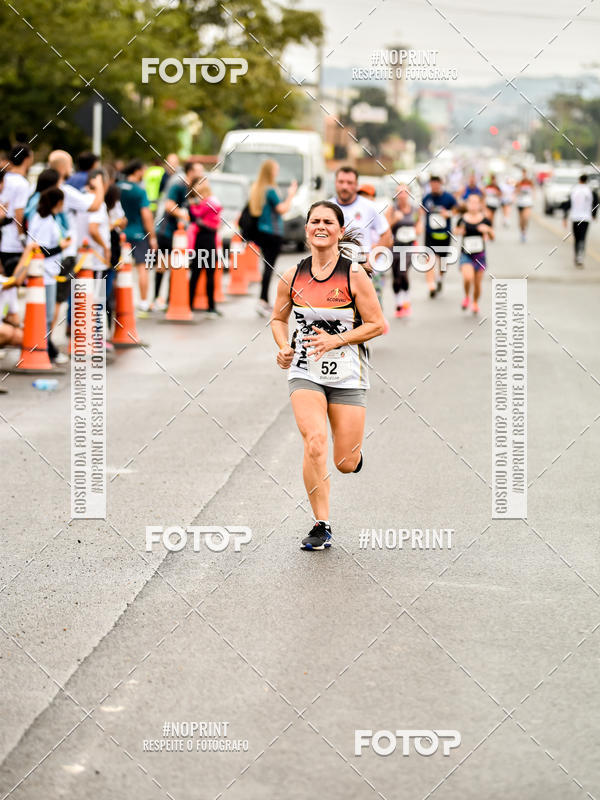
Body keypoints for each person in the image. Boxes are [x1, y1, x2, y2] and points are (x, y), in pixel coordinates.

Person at [270, 201, 385, 550]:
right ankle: (322, 524)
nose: (320, 226)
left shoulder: (354, 275)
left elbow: (378, 324)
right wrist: (283, 348)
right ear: (306, 229)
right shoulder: (292, 276)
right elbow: (278, 319)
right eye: (314, 221)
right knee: (314, 442)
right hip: (305, 371)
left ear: (338, 229)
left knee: (345, 462)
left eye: (328, 221)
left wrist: (336, 340)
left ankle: (353, 455)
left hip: (349, 373)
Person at [16, 187, 71, 363]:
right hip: (44, 273)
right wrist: (61, 248)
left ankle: (45, 348)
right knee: (45, 317)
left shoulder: (43, 217)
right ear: (59, 202)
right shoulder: (45, 220)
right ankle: (45, 349)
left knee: (45, 315)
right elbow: (41, 249)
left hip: (45, 272)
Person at [249, 159, 297, 317]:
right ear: (270, 172)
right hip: (273, 232)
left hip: (262, 232)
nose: (277, 173)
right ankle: (263, 300)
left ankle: (263, 299)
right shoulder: (270, 190)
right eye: (275, 170)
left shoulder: (257, 188)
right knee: (269, 268)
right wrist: (291, 195)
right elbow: (282, 209)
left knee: (267, 267)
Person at [154, 159, 204, 310]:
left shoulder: (193, 188)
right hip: (167, 232)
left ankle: (170, 300)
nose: (202, 174)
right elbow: (169, 205)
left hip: (180, 236)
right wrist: (184, 215)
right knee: (164, 265)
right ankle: (156, 299)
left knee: (177, 267)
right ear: (190, 172)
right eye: (198, 171)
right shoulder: (179, 185)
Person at [118, 159, 157, 314]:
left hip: (121, 233)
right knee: (142, 267)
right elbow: (146, 214)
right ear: (137, 171)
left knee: (118, 267)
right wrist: (152, 236)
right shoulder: (140, 191)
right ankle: (143, 302)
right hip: (139, 233)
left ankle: (118, 300)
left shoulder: (117, 187)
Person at [187, 177, 223, 316]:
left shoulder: (203, 204)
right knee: (209, 274)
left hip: (202, 239)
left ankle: (190, 304)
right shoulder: (213, 201)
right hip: (209, 240)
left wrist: (193, 207)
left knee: (196, 274)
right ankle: (211, 306)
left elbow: (195, 217)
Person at [454, 193, 494, 314]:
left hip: (480, 255)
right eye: (471, 202)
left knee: (477, 283)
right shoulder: (462, 219)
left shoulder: (485, 219)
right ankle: (467, 296)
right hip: (466, 254)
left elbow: (492, 236)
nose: (473, 205)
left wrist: (487, 230)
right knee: (468, 277)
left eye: (476, 202)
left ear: (480, 205)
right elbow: (455, 231)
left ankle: (475, 302)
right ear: (467, 204)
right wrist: (459, 230)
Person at [385, 184, 421, 318]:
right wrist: (395, 219)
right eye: (399, 193)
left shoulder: (415, 210)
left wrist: (417, 230)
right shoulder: (392, 209)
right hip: (394, 246)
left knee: (403, 272)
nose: (402, 195)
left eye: (405, 192)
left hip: (409, 246)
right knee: (396, 277)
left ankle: (406, 300)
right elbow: (384, 227)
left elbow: (419, 225)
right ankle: (398, 303)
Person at [0, 144, 34, 277]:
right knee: (14, 281)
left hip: (3, 236)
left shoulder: (4, 178)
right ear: (27, 160)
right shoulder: (21, 183)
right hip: (13, 241)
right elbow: (19, 212)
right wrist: (22, 237)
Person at [420, 175, 457, 297]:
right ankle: (431, 286)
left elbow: (458, 209)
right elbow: (421, 212)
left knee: (443, 262)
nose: (434, 186)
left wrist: (449, 213)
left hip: (444, 235)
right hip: (430, 234)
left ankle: (440, 279)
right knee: (429, 259)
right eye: (432, 184)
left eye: (436, 184)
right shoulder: (427, 198)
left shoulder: (448, 197)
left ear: (440, 184)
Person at [562, 174, 597, 267]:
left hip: (575, 218)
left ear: (579, 180)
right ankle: (580, 256)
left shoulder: (574, 190)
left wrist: (565, 217)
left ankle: (577, 255)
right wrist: (594, 214)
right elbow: (596, 202)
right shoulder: (590, 191)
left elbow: (568, 203)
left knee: (576, 238)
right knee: (583, 237)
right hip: (585, 218)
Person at [515, 169, 534, 242]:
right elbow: (516, 191)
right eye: (523, 174)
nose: (524, 175)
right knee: (521, 220)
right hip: (520, 203)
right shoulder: (519, 182)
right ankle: (522, 232)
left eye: (525, 174)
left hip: (528, 203)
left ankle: (525, 231)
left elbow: (533, 190)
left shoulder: (530, 182)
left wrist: (532, 198)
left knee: (526, 217)